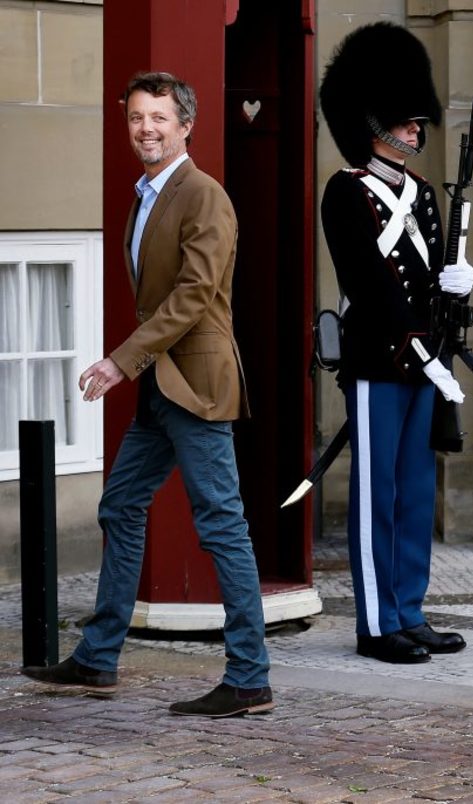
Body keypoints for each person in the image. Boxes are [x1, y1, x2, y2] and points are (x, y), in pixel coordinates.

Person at [21, 72, 273, 717]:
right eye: (137, 118)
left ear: (186, 124)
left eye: (158, 117)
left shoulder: (203, 195)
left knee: (222, 525)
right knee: (120, 506)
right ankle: (99, 658)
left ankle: (249, 677)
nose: (146, 129)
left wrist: (119, 363)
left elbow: (192, 296)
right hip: (165, 382)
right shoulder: (148, 194)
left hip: (196, 384)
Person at [318, 23, 473, 664]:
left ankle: (409, 609)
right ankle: (376, 622)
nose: (415, 132)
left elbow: (433, 282)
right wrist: (418, 349)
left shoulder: (427, 196)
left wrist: (460, 288)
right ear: (374, 123)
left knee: (413, 490)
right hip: (381, 362)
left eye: (417, 123)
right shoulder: (347, 191)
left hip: (424, 363)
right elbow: (370, 282)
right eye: (405, 123)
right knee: (375, 493)